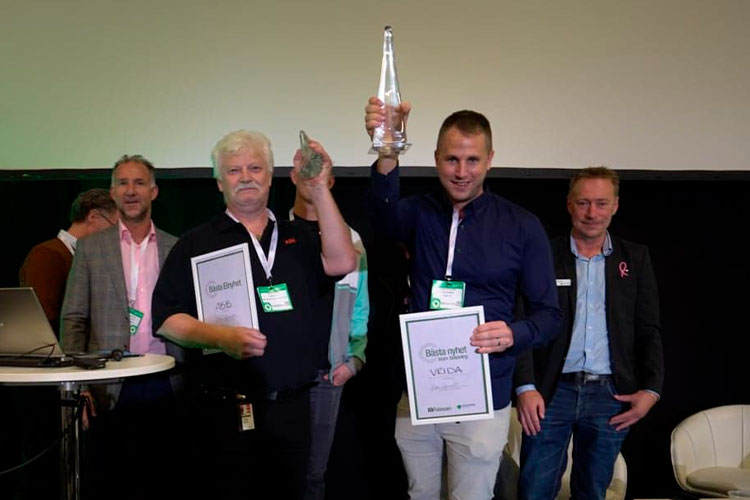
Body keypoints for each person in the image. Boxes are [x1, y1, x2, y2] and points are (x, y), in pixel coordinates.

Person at [364, 97, 561, 500]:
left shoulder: (522, 226)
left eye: (472, 160)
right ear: (436, 158)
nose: (461, 171)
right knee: (419, 493)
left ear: (490, 160)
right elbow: (382, 221)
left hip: (484, 395)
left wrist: (513, 334)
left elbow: (549, 316)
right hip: (420, 391)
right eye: (452, 159)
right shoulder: (419, 212)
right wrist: (387, 149)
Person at [151, 130, 356, 500]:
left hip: (294, 405)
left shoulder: (298, 235)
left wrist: (318, 187)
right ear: (219, 182)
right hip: (225, 409)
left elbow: (343, 261)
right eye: (234, 170)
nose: (245, 177)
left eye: (255, 168)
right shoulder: (195, 243)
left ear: (270, 175)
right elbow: (166, 319)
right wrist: (219, 337)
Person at [513, 167, 663, 500]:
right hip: (550, 394)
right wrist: (525, 386)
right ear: (569, 204)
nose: (592, 213)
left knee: (593, 492)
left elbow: (648, 327)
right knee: (534, 491)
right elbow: (521, 322)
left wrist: (651, 390)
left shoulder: (635, 258)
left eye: (601, 203)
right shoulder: (542, 254)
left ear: (616, 205)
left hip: (611, 396)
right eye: (583, 203)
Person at [60, 154, 182, 500]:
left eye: (139, 183)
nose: (131, 191)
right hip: (107, 385)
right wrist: (78, 385)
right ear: (112, 192)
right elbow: (74, 319)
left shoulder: (176, 248)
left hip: (165, 379)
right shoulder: (90, 248)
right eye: (123, 183)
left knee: (163, 480)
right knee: (111, 483)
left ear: (154, 192)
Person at [288, 164, 369, 500]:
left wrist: (354, 360)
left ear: (330, 182)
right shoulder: (274, 233)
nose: (311, 181)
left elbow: (360, 306)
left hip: (328, 374)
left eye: (318, 175)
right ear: (293, 178)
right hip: (284, 375)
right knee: (283, 467)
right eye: (304, 174)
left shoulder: (352, 240)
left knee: (315, 473)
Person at [19, 188, 117, 335]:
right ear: (94, 216)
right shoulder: (48, 254)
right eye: (115, 227)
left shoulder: (87, 257)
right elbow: (42, 318)